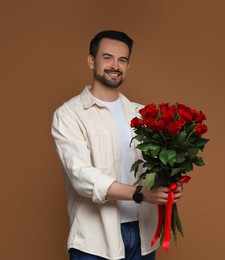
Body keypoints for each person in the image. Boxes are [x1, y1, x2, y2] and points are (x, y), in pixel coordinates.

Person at [51, 30, 184, 260]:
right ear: (91, 61)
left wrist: (169, 185)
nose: (115, 65)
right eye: (107, 57)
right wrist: (140, 194)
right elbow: (81, 175)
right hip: (94, 242)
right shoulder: (69, 115)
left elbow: (154, 165)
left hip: (143, 236)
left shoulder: (142, 114)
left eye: (122, 60)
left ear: (128, 66)